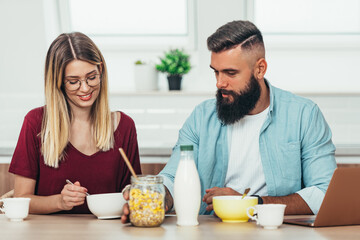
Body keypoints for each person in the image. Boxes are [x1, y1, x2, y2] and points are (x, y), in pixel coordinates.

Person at [121, 20, 336, 223]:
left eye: (230, 73)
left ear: (260, 69)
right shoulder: (201, 117)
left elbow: (324, 192)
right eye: (216, 72)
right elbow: (172, 176)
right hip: (209, 231)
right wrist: (155, 197)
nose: (219, 83)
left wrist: (251, 204)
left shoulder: (304, 115)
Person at [9, 32, 141, 214]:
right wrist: (59, 202)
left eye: (92, 77)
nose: (86, 88)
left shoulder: (124, 126)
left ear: (101, 70)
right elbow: (21, 199)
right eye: (73, 82)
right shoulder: (35, 123)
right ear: (58, 83)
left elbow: (131, 196)